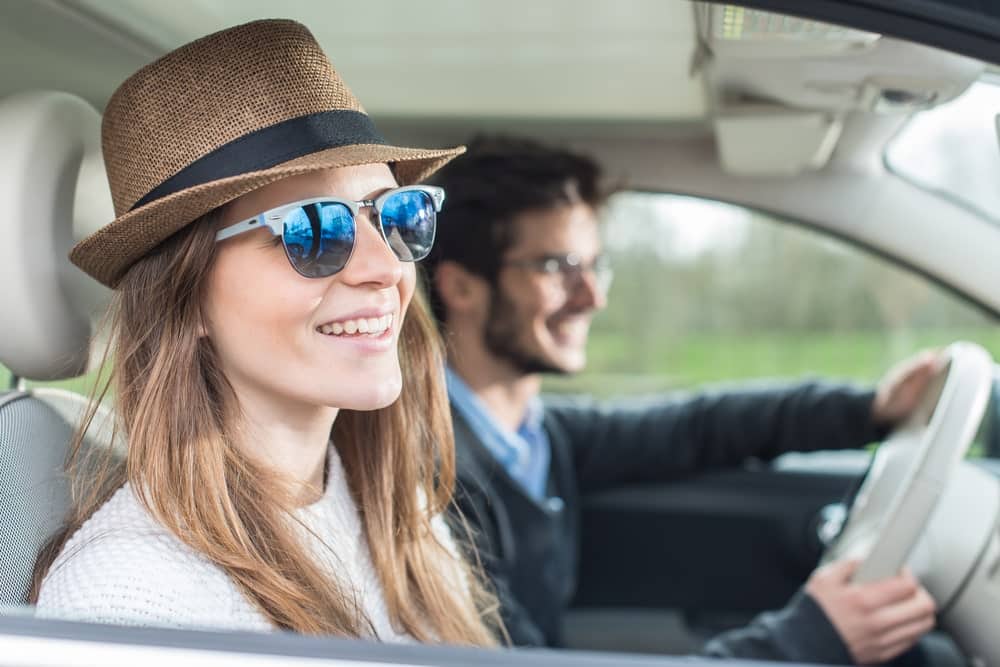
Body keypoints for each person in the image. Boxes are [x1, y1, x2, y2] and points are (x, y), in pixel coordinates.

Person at [29, 19, 499, 645]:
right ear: (185, 296)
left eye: (397, 215)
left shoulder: (394, 511)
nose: (387, 267)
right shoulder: (132, 597)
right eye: (313, 230)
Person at [422, 135, 939, 663]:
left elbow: (699, 426)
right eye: (557, 267)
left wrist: (870, 408)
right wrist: (809, 638)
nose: (593, 297)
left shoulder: (532, 433)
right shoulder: (430, 477)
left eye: (593, 265)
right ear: (463, 287)